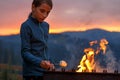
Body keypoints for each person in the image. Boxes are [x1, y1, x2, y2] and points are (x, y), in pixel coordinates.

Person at [20, 0, 54, 80]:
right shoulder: (26, 26)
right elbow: (25, 53)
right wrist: (40, 62)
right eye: (42, 11)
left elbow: (44, 48)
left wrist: (50, 62)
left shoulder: (46, 26)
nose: (45, 15)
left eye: (48, 12)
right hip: (32, 74)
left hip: (46, 73)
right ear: (33, 7)